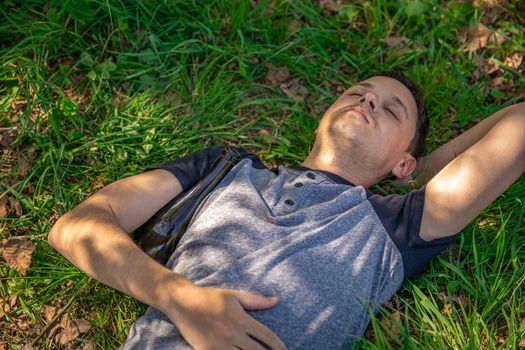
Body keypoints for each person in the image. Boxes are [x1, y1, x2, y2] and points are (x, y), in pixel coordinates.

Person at [48, 73, 525, 349]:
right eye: (358, 92)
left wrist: (415, 174)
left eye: (391, 110)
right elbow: (77, 227)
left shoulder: (394, 226)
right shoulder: (222, 168)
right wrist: (178, 297)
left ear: (403, 162)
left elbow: (519, 124)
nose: (368, 100)